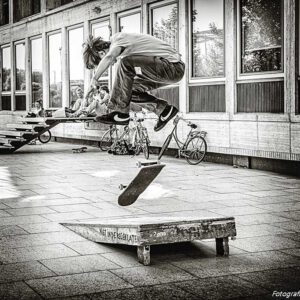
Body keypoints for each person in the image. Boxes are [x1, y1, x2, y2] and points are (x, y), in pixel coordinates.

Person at [83, 33, 185, 131]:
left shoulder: (118, 39)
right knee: (127, 89)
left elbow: (110, 57)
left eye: (104, 62)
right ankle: (164, 110)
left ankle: (119, 112)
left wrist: (94, 79)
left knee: (126, 63)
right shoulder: (122, 45)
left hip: (173, 67)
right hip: (166, 71)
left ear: (102, 53)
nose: (111, 64)